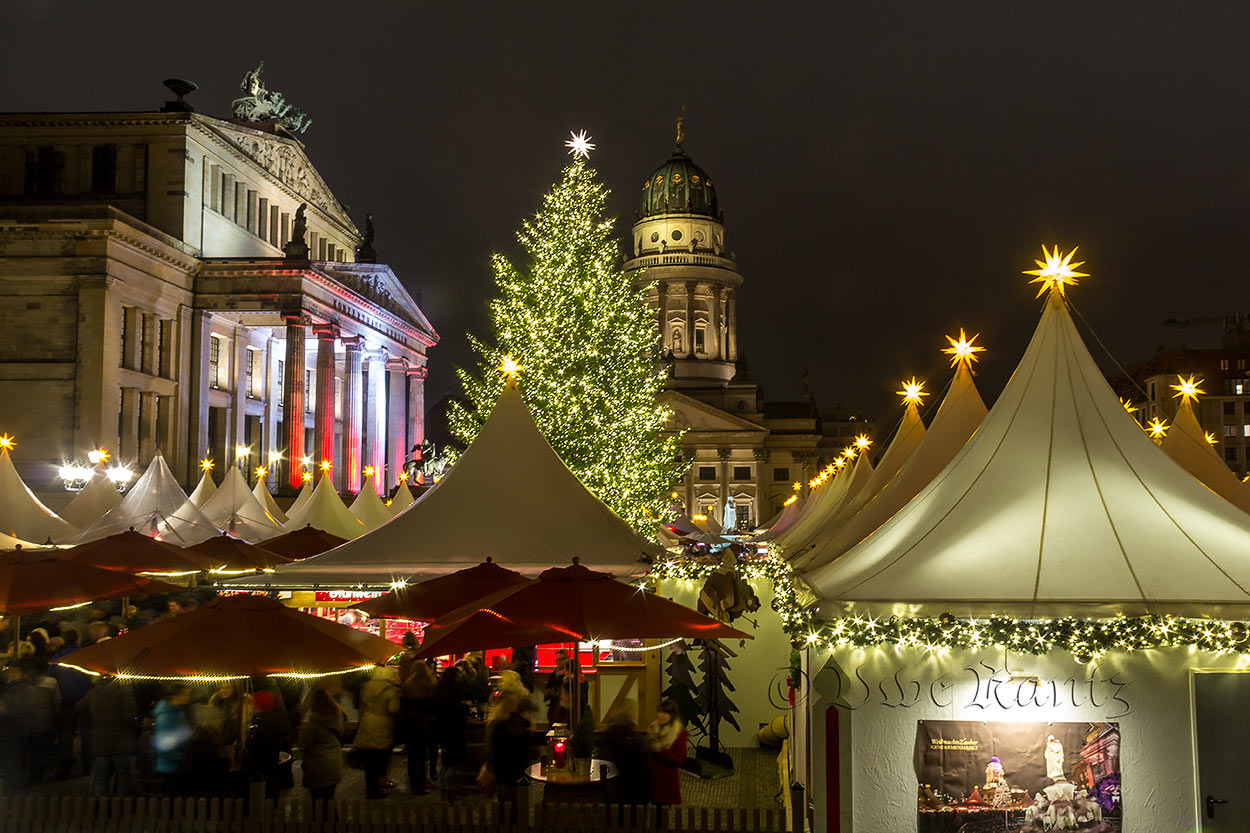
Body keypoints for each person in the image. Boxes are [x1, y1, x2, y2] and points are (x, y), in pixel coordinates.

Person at [77, 674, 139, 796]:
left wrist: (92, 720)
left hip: (100, 742)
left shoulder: (93, 693)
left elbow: (78, 708)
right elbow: (130, 717)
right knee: (123, 778)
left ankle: (102, 808)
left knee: (101, 779)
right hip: (121, 743)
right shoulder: (125, 692)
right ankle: (123, 807)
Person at [50, 628, 92, 778]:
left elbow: (51, 675)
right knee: (87, 734)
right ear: (78, 639)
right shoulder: (87, 655)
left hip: (66, 700)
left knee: (66, 735)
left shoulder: (57, 658)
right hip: (85, 699)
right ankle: (87, 766)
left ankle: (65, 767)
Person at [354, 665, 400, 799]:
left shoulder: (366, 686)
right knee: (381, 757)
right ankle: (378, 785)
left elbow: (361, 705)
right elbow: (393, 708)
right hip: (383, 725)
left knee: (369, 761)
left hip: (367, 723)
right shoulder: (390, 690)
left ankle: (371, 787)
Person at [598, 699, 651, 807]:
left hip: (611, 792)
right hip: (634, 794)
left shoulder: (607, 736)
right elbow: (644, 771)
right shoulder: (635, 739)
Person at [299, 681, 346, 804]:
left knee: (318, 802)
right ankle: (333, 822)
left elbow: (303, 743)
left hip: (318, 766)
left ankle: (323, 822)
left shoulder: (313, 724)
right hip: (335, 762)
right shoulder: (339, 716)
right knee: (329, 798)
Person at [488, 697, 535, 818]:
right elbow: (533, 753)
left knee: (503, 814)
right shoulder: (522, 731)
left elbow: (492, 750)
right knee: (518, 816)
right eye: (530, 713)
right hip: (518, 780)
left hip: (501, 778)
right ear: (526, 712)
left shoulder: (500, 726)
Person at [400, 657, 438, 795]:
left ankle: (413, 783)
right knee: (422, 756)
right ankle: (422, 782)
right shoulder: (430, 685)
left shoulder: (408, 685)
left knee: (412, 756)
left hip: (410, 726)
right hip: (425, 726)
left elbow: (402, 705)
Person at [433, 665, 467, 798]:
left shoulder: (439, 689)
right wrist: (464, 708)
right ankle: (450, 790)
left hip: (441, 730)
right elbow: (454, 711)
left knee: (446, 762)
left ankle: (443, 788)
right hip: (453, 731)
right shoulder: (452, 692)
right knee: (453, 762)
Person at [153, 684, 193, 794]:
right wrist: (183, 757)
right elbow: (164, 745)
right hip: (170, 766)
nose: (188, 697)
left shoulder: (178, 712)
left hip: (175, 764)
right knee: (173, 800)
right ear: (175, 696)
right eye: (185, 694)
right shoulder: (166, 717)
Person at [647, 699, 686, 807]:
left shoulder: (678, 734)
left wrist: (660, 750)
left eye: (665, 713)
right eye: (660, 712)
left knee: (662, 814)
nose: (661, 715)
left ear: (672, 715)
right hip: (653, 778)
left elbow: (680, 760)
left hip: (667, 780)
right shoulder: (653, 728)